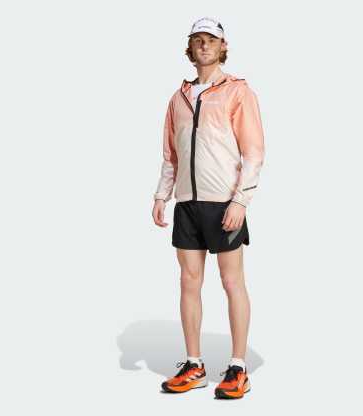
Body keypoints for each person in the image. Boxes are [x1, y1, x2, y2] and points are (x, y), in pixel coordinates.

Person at [152, 16, 265, 399]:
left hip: (224, 204)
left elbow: (254, 152)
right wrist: (161, 195)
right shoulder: (178, 97)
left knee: (232, 282)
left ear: (222, 47)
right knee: (189, 282)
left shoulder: (238, 92)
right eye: (198, 40)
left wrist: (240, 201)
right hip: (187, 204)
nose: (204, 45)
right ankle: (194, 364)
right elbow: (171, 154)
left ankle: (238, 367)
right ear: (190, 47)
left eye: (211, 40)